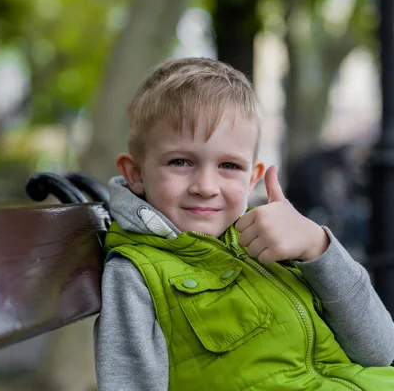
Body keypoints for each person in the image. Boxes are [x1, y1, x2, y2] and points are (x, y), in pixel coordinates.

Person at [94, 57, 394, 390]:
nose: (206, 186)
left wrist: (317, 246)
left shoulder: (278, 241)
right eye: (180, 162)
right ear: (136, 174)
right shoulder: (135, 273)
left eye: (229, 166)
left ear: (252, 178)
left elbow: (379, 349)